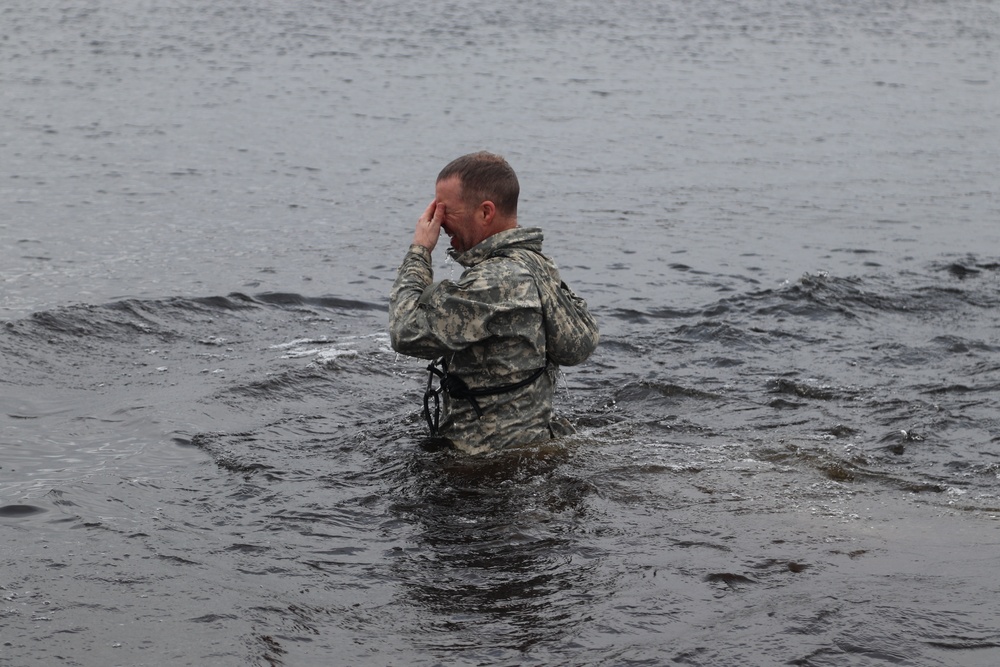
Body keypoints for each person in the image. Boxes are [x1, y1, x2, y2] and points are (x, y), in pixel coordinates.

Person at [389, 151, 599, 453]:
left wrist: (420, 250)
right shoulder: (536, 263)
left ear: (486, 212)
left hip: (483, 462)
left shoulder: (494, 282)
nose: (439, 222)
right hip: (535, 445)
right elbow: (579, 344)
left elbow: (404, 331)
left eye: (446, 211)